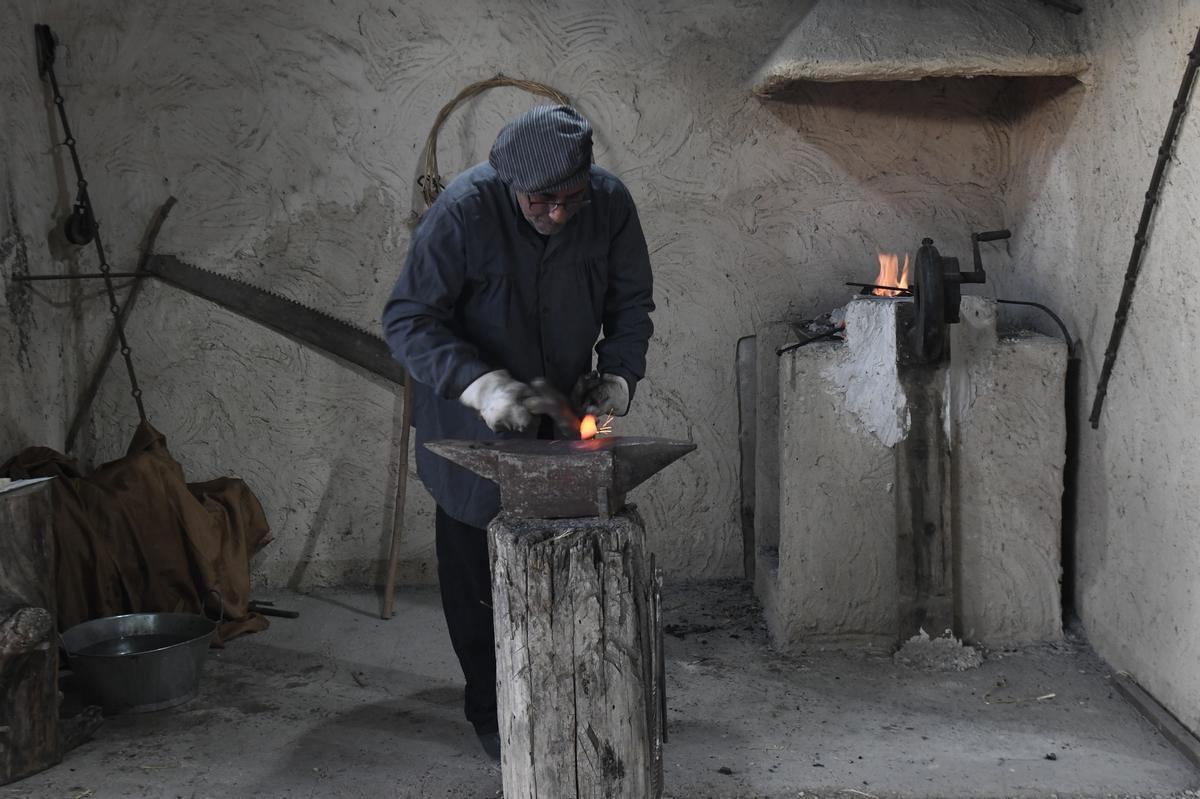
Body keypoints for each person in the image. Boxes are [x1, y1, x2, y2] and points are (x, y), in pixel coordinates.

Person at [381, 104, 655, 761]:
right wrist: (480, 385)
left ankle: (569, 695)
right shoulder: (463, 210)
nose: (559, 213)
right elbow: (408, 319)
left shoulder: (611, 206)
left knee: (569, 567)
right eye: (542, 201)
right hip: (470, 428)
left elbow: (630, 304)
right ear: (511, 185)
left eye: (571, 198)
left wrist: (618, 375)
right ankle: (490, 709)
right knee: (479, 576)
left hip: (559, 416)